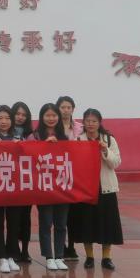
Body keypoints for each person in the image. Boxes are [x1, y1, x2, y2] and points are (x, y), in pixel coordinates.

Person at [77, 108, 124, 270]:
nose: (90, 124)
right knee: (87, 224)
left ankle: (106, 257)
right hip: (86, 189)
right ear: (83, 122)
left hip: (106, 188)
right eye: (87, 121)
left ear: (99, 122)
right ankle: (89, 257)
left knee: (107, 224)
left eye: (94, 121)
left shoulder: (109, 139)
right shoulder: (78, 140)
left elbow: (116, 163)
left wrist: (105, 150)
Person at [0, 105, 21, 274]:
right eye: (0, 118)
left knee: (14, 222)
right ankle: (2, 257)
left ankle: (12, 255)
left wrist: (20, 146)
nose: (4, 121)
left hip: (14, 186)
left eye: (7, 118)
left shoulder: (19, 137)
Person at [35, 103, 70, 271]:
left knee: (61, 224)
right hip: (43, 187)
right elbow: (29, 156)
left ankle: (59, 256)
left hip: (62, 187)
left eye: (54, 115)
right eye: (47, 115)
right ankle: (49, 256)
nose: (51, 118)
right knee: (46, 223)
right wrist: (44, 145)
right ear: (42, 117)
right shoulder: (35, 136)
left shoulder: (65, 137)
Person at [57, 95, 84, 262]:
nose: (66, 110)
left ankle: (72, 246)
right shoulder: (53, 127)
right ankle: (61, 245)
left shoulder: (80, 128)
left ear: (73, 109)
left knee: (74, 214)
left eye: (69, 107)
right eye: (63, 107)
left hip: (76, 175)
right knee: (61, 214)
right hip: (59, 174)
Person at [11, 101, 35, 263]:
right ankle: (14, 249)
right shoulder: (5, 133)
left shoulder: (31, 135)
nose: (20, 117)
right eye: (17, 114)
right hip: (10, 180)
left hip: (27, 181)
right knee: (13, 218)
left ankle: (25, 250)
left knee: (26, 218)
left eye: (23, 115)